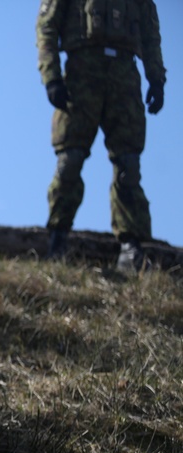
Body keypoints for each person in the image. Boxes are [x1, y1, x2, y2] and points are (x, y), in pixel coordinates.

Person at [37, 0, 166, 271]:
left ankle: (131, 247)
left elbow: (151, 35)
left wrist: (156, 77)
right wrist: (51, 76)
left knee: (128, 164)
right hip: (81, 73)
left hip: (124, 75)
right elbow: (46, 27)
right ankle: (57, 240)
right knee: (69, 159)